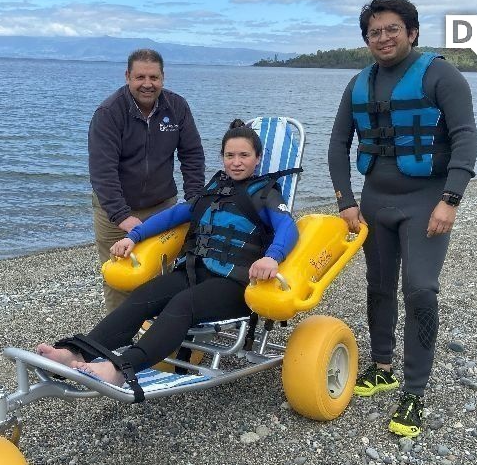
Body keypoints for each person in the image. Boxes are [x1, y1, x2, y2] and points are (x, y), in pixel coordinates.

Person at [39, 120, 298, 398]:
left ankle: (120, 369)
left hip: (235, 285)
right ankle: (76, 352)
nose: (236, 162)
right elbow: (174, 215)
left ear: (257, 159)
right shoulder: (214, 189)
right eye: (229, 155)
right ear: (222, 158)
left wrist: (272, 257)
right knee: (142, 297)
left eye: (244, 155)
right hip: (193, 272)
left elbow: (288, 227)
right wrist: (134, 236)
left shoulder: (267, 193)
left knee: (182, 304)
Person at [327, 0, 477, 437]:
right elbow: (338, 145)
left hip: (426, 200)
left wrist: (450, 199)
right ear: (366, 40)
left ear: (411, 31)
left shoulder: (441, 75)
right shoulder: (358, 83)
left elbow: (466, 137)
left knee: (420, 290)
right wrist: (345, 200)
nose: (383, 37)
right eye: (375, 32)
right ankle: (382, 366)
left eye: (392, 28)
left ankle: (414, 391)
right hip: (376, 200)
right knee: (378, 286)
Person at [89, 48, 205, 313]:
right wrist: (122, 216)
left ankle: (159, 332)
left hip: (162, 204)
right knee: (120, 275)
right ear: (127, 76)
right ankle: (118, 341)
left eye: (154, 77)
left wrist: (195, 199)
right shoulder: (108, 113)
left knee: (164, 271)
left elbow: (192, 155)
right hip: (114, 209)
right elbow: (101, 171)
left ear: (163, 77)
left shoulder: (177, 107)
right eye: (140, 77)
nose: (147, 84)